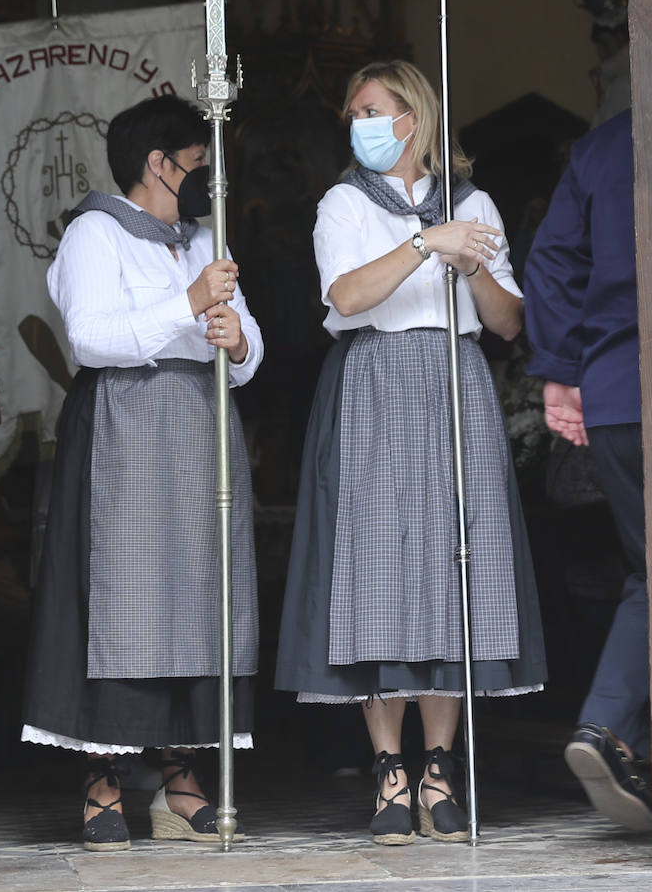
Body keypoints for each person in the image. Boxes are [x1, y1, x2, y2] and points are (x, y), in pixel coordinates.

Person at [275, 60, 546, 845]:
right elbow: (349, 297)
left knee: (455, 565)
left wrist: (470, 263)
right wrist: (429, 244)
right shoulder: (342, 203)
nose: (357, 121)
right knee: (378, 570)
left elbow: (505, 322)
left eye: (372, 108)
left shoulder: (476, 202)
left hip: (455, 379)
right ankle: (387, 768)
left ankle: (439, 766)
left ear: (414, 118)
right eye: (353, 110)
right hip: (374, 379)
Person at [21, 94, 263, 850]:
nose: (208, 180)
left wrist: (239, 343)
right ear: (158, 163)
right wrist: (186, 304)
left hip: (200, 425)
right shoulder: (95, 232)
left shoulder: (198, 237)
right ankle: (104, 780)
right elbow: (91, 339)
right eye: (198, 163)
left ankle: (180, 779)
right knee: (120, 597)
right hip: (125, 424)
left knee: (199, 592)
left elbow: (248, 340)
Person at [523, 108, 652, 831]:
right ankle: (617, 730)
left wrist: (561, 372)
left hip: (612, 392)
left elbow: (552, 262)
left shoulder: (603, 143)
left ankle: (610, 727)